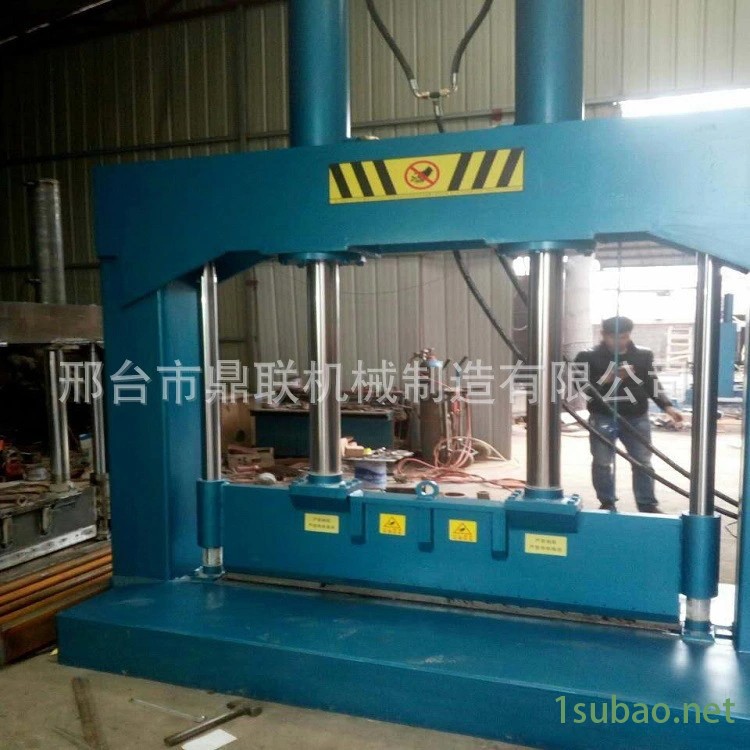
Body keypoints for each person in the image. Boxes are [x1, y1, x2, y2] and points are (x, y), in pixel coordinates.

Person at [574, 316, 683, 513]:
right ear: (603, 335)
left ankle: (647, 504)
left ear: (629, 335)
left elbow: (652, 383)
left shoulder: (643, 356)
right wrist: (609, 378)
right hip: (603, 416)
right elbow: (581, 387)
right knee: (602, 462)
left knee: (643, 462)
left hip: (637, 417)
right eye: (613, 337)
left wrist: (667, 407)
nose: (619, 342)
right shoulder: (587, 357)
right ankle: (607, 502)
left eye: (623, 337)